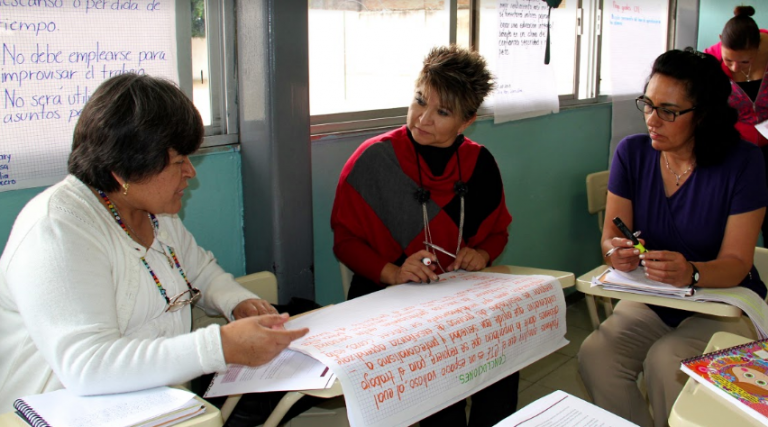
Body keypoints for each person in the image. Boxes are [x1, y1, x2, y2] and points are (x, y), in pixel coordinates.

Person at [0, 74, 309, 417]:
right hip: (64, 411)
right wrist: (219, 346)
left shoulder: (154, 212)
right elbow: (88, 366)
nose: (190, 172)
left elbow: (200, 272)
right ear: (124, 169)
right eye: (178, 162)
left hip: (155, 402)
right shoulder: (57, 230)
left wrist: (237, 302)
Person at [578, 48, 768, 427]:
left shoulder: (743, 163)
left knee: (668, 363)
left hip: (723, 298)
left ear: (704, 115)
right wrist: (617, 254)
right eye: (648, 104)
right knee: (596, 354)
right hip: (655, 296)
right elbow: (610, 238)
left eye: (669, 111)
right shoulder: (631, 153)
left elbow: (736, 263)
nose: (652, 119)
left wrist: (692, 273)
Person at [331, 45, 516, 427]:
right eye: (419, 101)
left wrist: (482, 253)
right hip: (386, 298)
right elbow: (344, 241)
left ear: (467, 121)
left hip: (456, 296)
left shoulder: (480, 163)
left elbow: (498, 232)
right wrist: (394, 272)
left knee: (503, 355)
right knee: (440, 380)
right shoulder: (373, 160)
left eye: (442, 112)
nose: (423, 118)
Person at [703, 5, 768, 241]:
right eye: (728, 60)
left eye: (744, 62)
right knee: (732, 219)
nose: (733, 68)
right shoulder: (708, 60)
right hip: (733, 150)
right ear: (721, 41)